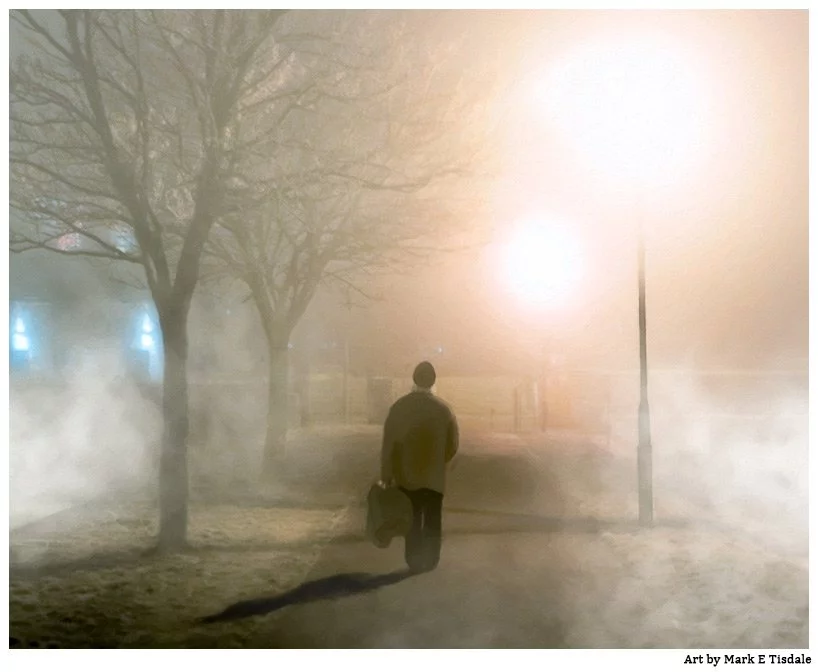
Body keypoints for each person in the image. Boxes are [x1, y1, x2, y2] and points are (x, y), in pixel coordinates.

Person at [380, 361, 459, 573]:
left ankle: (413, 560)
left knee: (412, 518)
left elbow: (388, 443)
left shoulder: (399, 408)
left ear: (414, 379)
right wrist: (439, 461)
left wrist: (386, 474)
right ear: (433, 381)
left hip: (406, 475)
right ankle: (431, 559)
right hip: (434, 477)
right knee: (433, 518)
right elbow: (453, 445)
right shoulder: (444, 410)